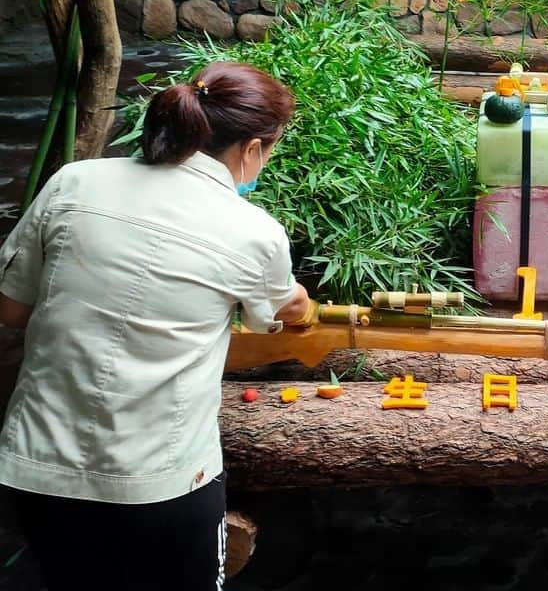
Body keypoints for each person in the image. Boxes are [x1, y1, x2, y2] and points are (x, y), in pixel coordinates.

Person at [0, 61, 316, 591]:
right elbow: (280, 314)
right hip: (162, 482)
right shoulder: (253, 231)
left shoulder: (74, 180)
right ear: (253, 149)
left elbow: (11, 309)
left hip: (40, 467)